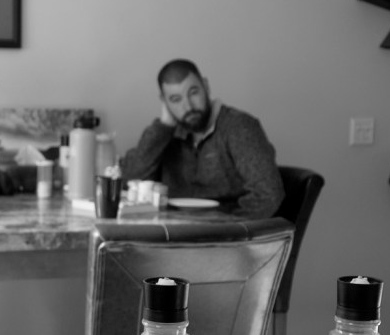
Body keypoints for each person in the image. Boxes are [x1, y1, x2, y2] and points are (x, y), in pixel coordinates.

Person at [120, 59, 284, 219]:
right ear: (164, 102)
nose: (188, 106)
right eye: (176, 100)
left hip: (226, 230)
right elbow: (130, 180)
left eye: (194, 93)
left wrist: (227, 227)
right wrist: (163, 127)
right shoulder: (165, 134)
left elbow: (268, 194)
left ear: (205, 86)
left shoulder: (239, 127)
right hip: (173, 230)